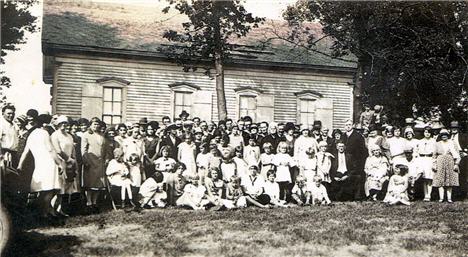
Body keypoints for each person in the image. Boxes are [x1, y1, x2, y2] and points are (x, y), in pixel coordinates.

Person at [18, 114, 62, 218]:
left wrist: (20, 165)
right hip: (49, 163)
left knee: (43, 189)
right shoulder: (44, 133)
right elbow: (50, 149)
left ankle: (45, 212)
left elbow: (25, 151)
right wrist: (60, 163)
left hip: (39, 163)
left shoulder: (32, 133)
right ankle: (44, 213)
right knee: (50, 189)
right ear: (45, 123)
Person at [51, 115, 79, 216]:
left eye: (65, 123)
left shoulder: (69, 136)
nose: (64, 125)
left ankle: (61, 209)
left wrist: (73, 161)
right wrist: (68, 159)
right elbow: (57, 150)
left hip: (70, 163)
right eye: (61, 123)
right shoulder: (55, 135)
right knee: (59, 187)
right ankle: (52, 210)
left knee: (68, 186)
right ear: (58, 124)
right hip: (59, 162)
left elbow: (73, 150)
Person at [81, 117, 108, 213]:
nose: (96, 126)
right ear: (90, 125)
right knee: (90, 184)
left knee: (98, 184)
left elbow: (104, 149)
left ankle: (94, 202)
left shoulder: (101, 135)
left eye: (97, 124)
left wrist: (105, 159)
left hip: (100, 162)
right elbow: (83, 150)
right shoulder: (86, 135)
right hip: (91, 162)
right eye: (94, 124)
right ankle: (89, 203)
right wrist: (86, 161)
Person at [341, 119, 368, 200]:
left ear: (352, 125)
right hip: (346, 161)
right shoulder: (343, 136)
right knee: (347, 177)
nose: (348, 126)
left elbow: (363, 151)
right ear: (344, 126)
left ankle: (358, 196)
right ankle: (348, 196)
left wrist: (360, 162)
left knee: (357, 177)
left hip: (356, 161)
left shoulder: (358, 136)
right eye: (346, 125)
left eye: (349, 124)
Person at [433, 129, 460, 203]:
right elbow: (434, 155)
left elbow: (457, 155)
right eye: (442, 135)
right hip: (440, 162)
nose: (444, 136)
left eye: (445, 135)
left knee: (449, 180)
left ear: (448, 135)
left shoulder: (452, 143)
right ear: (440, 136)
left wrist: (456, 164)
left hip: (450, 162)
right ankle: (441, 198)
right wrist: (434, 164)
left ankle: (449, 198)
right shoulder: (437, 144)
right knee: (440, 179)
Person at [416, 127, 436, 201]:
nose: (427, 134)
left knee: (429, 178)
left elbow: (435, 153)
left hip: (429, 159)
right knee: (424, 178)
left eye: (428, 132)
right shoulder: (420, 141)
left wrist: (434, 162)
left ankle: (429, 195)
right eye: (425, 132)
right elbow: (417, 151)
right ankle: (425, 194)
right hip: (421, 159)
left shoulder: (434, 141)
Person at [0, 104, 19, 169]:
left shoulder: (14, 125)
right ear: (3, 113)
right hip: (4, 155)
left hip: (13, 155)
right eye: (9, 113)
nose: (11, 115)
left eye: (13, 113)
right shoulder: (1, 125)